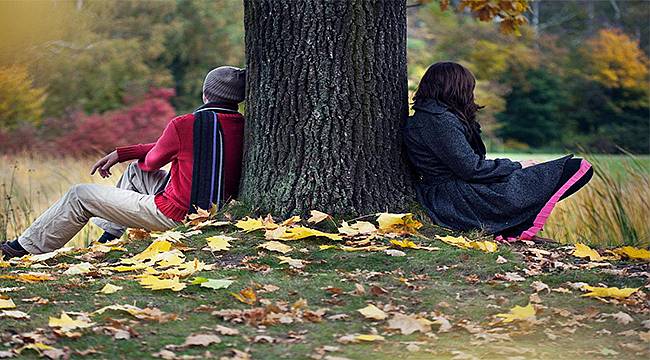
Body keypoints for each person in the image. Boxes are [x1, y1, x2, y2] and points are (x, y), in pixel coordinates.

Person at [1, 66, 246, 258]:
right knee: (133, 171)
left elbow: (152, 162)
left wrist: (153, 153)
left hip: (177, 214)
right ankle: (109, 239)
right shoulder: (245, 125)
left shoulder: (184, 124)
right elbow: (179, 150)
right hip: (218, 209)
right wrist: (124, 153)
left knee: (80, 195)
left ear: (205, 94)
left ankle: (22, 248)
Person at [403, 62, 593, 241]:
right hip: (456, 199)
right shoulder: (438, 121)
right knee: (570, 168)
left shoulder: (436, 117)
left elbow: (469, 163)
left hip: (460, 191)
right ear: (454, 88)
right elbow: (471, 168)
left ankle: (512, 224)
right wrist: (516, 165)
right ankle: (512, 226)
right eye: (468, 88)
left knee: (560, 171)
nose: (470, 93)